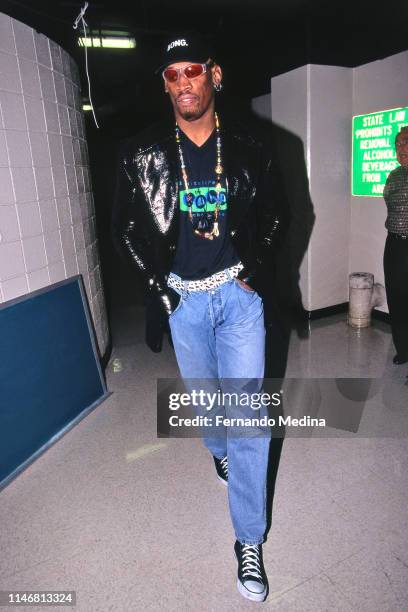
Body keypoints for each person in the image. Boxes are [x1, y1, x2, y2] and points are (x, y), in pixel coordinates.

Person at [111, 32, 287, 602]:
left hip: (238, 300)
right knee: (205, 403)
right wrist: (160, 293)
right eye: (172, 75)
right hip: (183, 299)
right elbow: (126, 232)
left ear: (213, 75)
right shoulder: (142, 153)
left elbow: (280, 216)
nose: (183, 82)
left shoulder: (253, 147)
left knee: (248, 417)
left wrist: (253, 270)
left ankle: (249, 539)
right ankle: (218, 452)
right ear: (164, 86)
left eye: (192, 70)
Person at [383, 126, 408, 367]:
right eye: (397, 144)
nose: (401, 148)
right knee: (396, 299)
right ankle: (403, 350)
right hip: (394, 244)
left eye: (405, 142)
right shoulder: (393, 175)